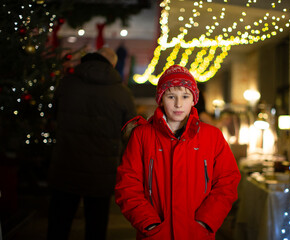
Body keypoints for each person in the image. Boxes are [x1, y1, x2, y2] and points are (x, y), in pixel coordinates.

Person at [114, 64, 241, 239]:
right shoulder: (142, 136)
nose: (178, 104)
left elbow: (227, 182)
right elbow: (127, 185)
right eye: (171, 96)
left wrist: (206, 221)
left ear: (193, 100)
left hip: (196, 233)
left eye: (185, 96)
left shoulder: (212, 137)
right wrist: (148, 223)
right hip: (156, 234)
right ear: (161, 99)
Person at [47, 47, 136, 240]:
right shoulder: (121, 93)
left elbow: (52, 117)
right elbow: (131, 131)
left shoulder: (67, 84)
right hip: (102, 169)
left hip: (66, 162)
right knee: (96, 225)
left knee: (59, 223)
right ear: (112, 65)